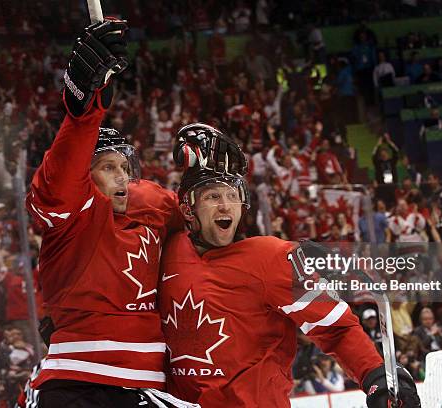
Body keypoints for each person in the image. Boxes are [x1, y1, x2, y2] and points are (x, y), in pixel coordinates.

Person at [158, 123, 421, 407]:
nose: (225, 206)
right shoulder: (167, 249)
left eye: (232, 196)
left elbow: (336, 328)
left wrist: (375, 375)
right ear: (187, 208)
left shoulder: (270, 258)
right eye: (212, 196)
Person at [26, 19, 196, 407]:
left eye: (125, 167)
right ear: (86, 176)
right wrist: (83, 112)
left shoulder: (152, 203)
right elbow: (57, 186)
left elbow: (202, 225)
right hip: (76, 384)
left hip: (144, 388)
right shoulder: (74, 217)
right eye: (107, 167)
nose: (122, 176)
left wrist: (209, 179)